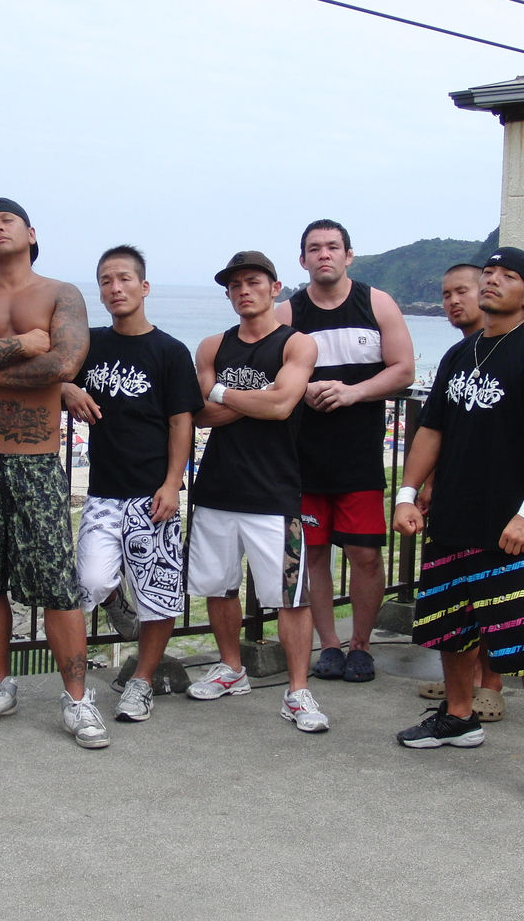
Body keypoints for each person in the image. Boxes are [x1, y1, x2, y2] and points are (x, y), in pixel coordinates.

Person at [391, 246, 524, 810]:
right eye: (489, 273)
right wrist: (406, 494)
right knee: (451, 628)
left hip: (506, 529)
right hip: (451, 519)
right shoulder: (460, 352)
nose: (492, 280)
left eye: (508, 276)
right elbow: (431, 431)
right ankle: (458, 716)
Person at [0, 198, 105, 748]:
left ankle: (77, 698)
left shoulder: (61, 294)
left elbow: (64, 363)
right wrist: (23, 345)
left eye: (6, 220)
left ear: (31, 233)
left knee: (56, 583)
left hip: (36, 458)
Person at [185, 251, 325, 732]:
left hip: (274, 490)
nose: (244, 291)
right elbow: (199, 415)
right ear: (228, 294)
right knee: (218, 587)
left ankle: (298, 691)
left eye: (254, 282)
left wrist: (223, 393)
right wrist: (259, 399)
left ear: (275, 287)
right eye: (235, 285)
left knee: (291, 596)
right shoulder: (211, 346)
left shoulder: (297, 343)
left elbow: (283, 405)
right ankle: (231, 668)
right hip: (217, 487)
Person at [62, 245, 202, 722]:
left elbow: (182, 422)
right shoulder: (90, 345)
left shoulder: (170, 351)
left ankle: (141, 682)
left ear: (144, 287)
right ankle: (114, 599)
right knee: (91, 580)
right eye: (106, 280)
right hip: (104, 490)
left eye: (123, 278)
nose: (115, 287)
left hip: (152, 492)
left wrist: (172, 484)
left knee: (158, 594)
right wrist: (66, 387)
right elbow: (51, 375)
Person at [275, 219, 415, 683]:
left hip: (359, 457)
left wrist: (353, 392)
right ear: (303, 260)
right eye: (315, 248)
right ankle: (330, 645)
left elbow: (403, 369)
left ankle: (361, 645)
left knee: (365, 554)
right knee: (313, 555)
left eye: (333, 247)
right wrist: (304, 389)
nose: (324, 255)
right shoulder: (288, 312)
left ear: (348, 255)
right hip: (304, 459)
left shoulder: (377, 302)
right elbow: (267, 370)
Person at [414, 263, 506, 721]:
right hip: (454, 495)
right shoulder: (457, 354)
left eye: (462, 291)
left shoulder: (515, 349)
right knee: (458, 595)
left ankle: (491, 684)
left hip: (499, 499)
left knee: (493, 595)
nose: (453, 301)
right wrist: (426, 482)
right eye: (446, 294)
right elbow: (441, 427)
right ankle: (463, 683)